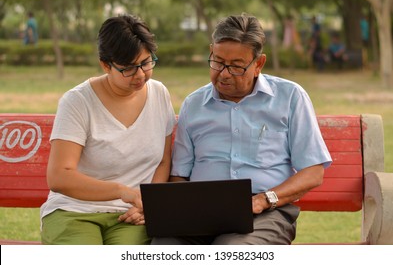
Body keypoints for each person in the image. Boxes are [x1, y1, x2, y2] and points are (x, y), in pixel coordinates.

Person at [152, 13, 332, 245]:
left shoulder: (290, 97)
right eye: (217, 62)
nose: (224, 73)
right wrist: (188, 210)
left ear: (258, 64)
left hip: (265, 212)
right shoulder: (194, 104)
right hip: (200, 211)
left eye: (236, 66)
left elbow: (313, 172)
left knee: (233, 252)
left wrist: (263, 200)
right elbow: (179, 175)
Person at [40, 14, 177, 245]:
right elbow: (59, 176)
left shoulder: (159, 94)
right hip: (74, 212)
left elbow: (163, 161)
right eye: (129, 69)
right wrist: (121, 191)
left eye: (146, 63)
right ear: (105, 65)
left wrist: (149, 206)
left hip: (131, 216)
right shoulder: (78, 102)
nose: (141, 75)